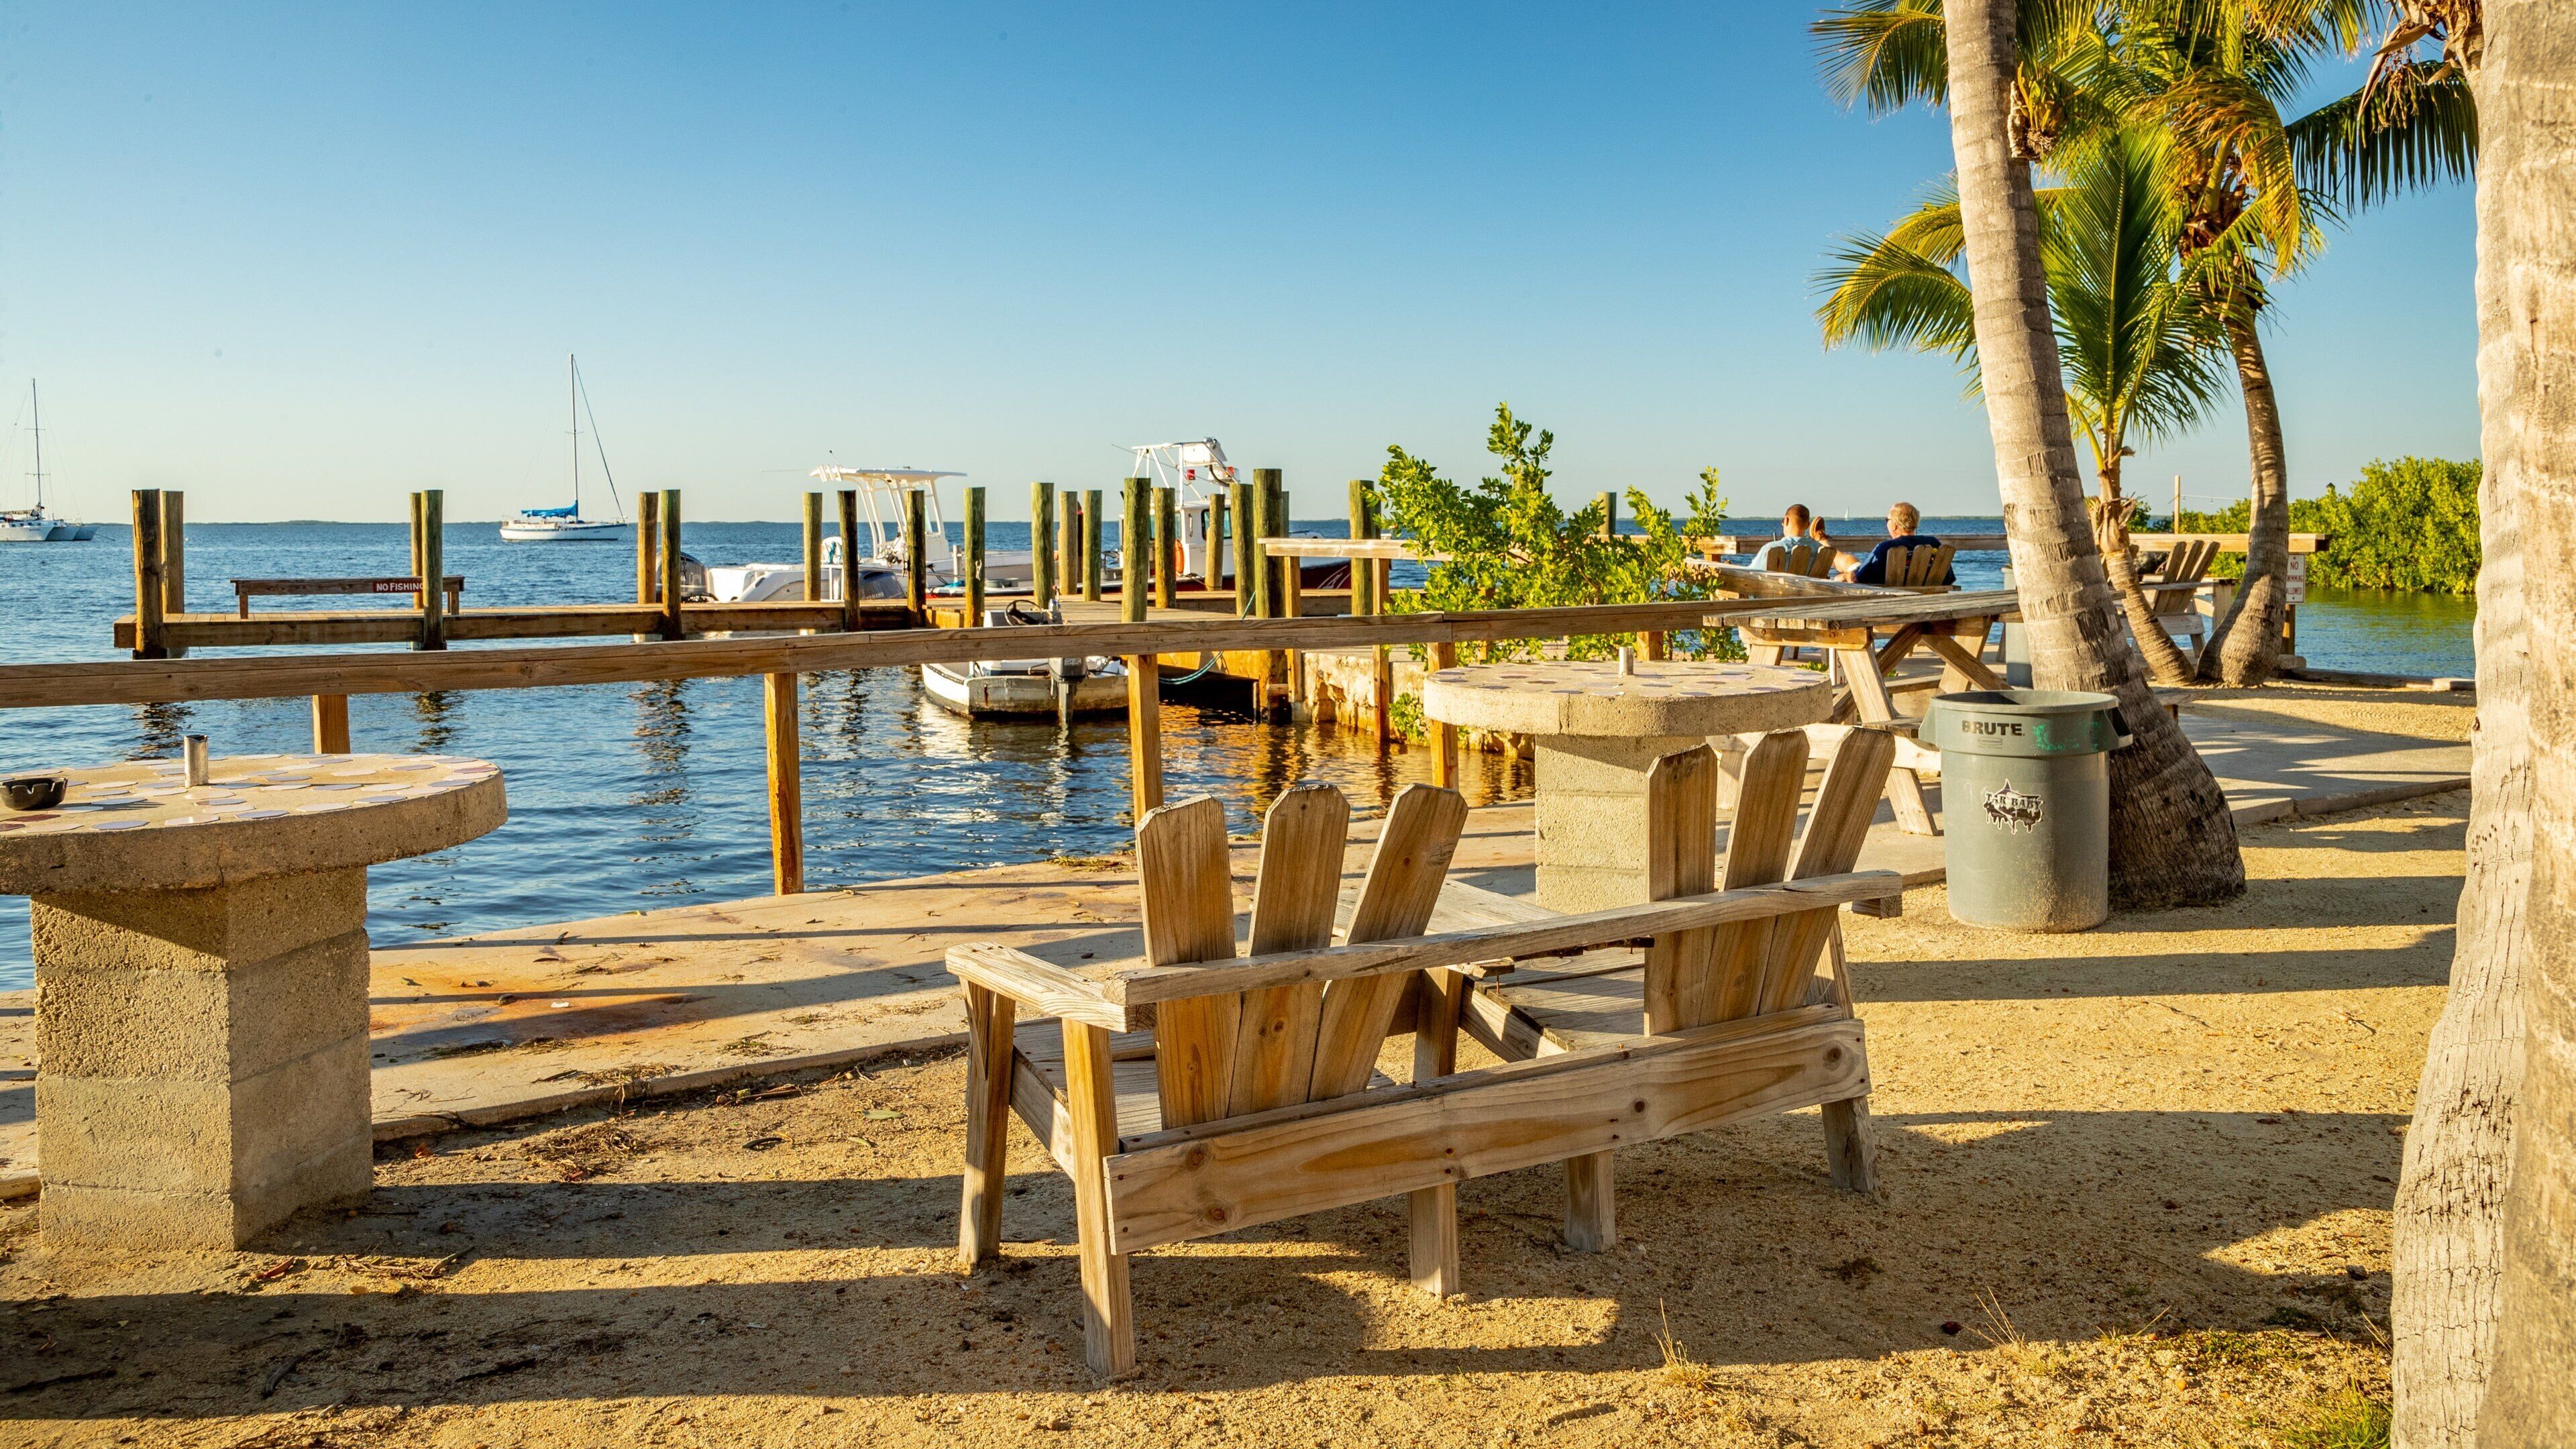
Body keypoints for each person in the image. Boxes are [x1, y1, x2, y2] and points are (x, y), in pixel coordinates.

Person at [1848, 501, 1955, 586]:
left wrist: (1847, 577)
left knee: (1847, 574)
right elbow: (1948, 579)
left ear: (1894, 525)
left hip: (1891, 603)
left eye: (1887, 520)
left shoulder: (1885, 548)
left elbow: (1859, 579)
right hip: (1928, 601)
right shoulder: (1934, 544)